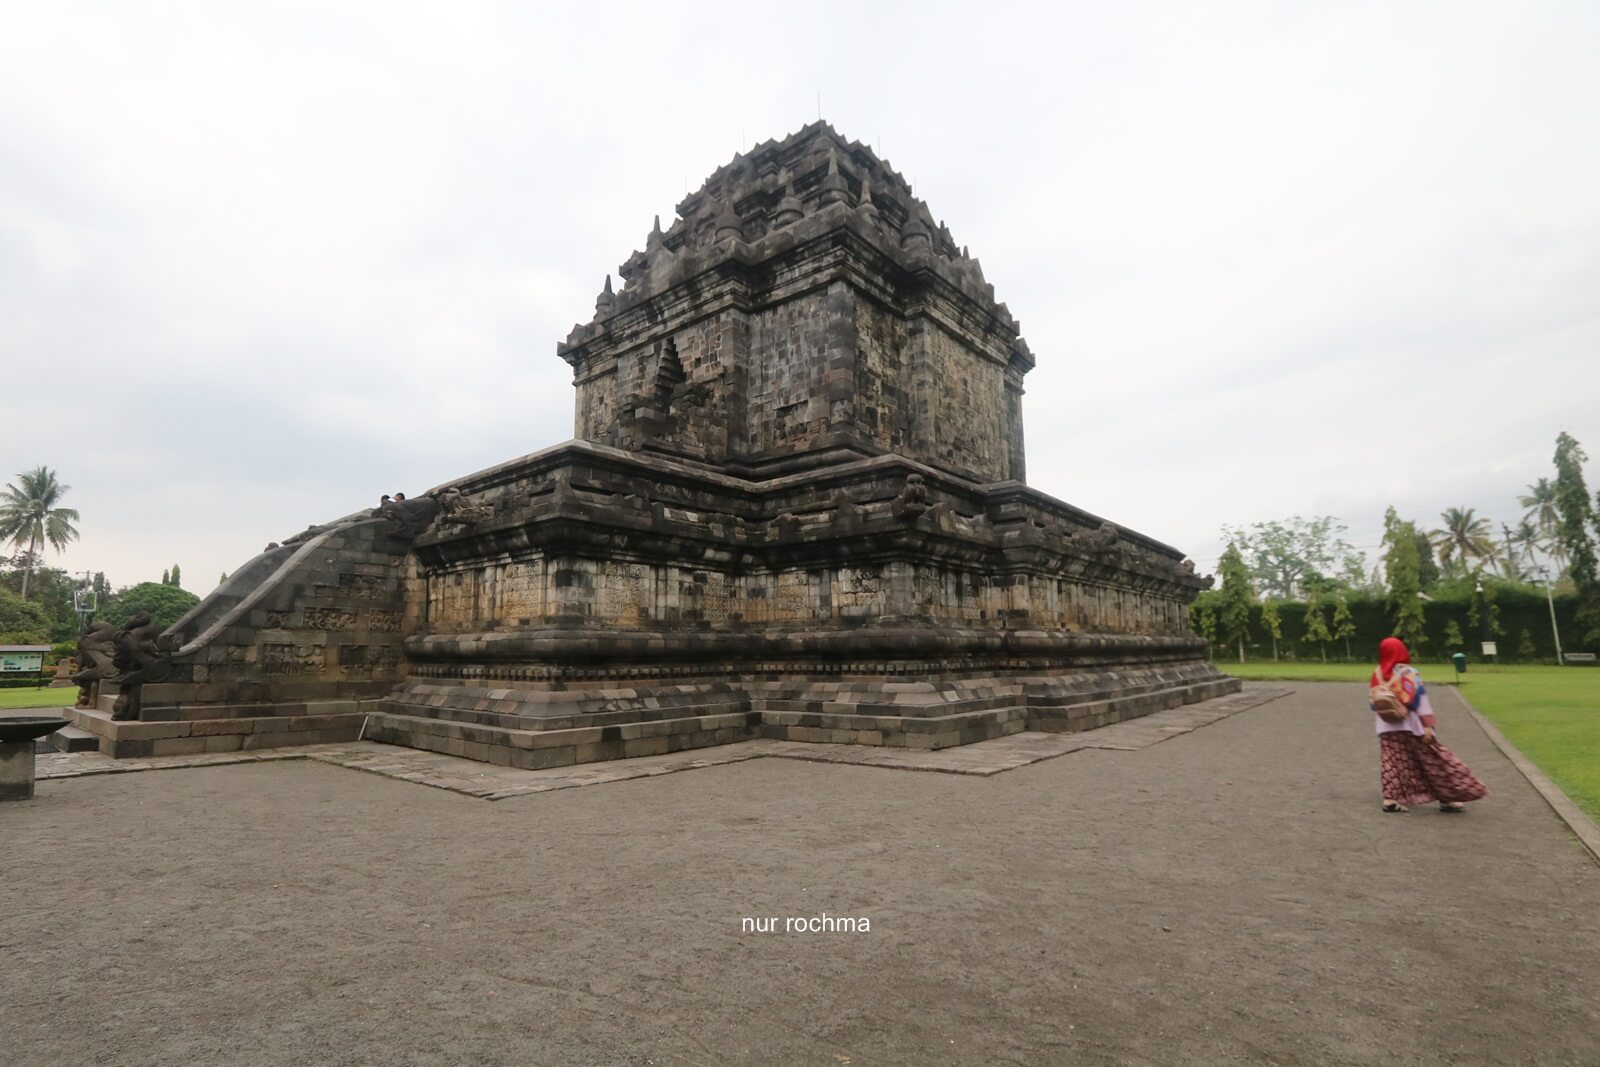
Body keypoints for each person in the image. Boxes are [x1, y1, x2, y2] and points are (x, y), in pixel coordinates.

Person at [1370, 636, 1488, 813]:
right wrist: (1428, 726)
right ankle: (1448, 798)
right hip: (1411, 725)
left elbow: (1373, 703)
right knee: (1434, 761)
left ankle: (1390, 799)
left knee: (1391, 762)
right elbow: (1421, 702)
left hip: (1386, 726)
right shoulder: (1409, 672)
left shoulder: (1377, 673)